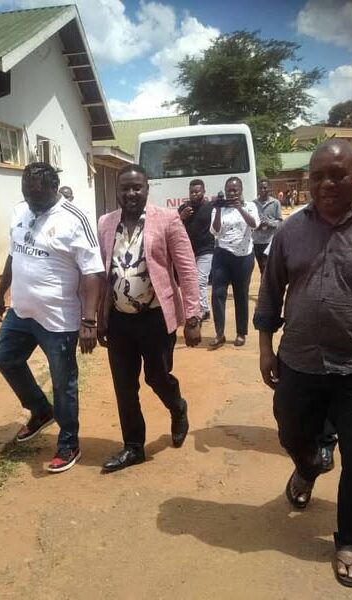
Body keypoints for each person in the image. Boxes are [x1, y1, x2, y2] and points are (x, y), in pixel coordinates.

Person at [254, 140, 352, 587]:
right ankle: (307, 467)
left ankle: (351, 541)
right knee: (291, 433)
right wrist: (265, 348)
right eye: (317, 175)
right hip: (299, 361)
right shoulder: (290, 231)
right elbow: (271, 292)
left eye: (336, 175)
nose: (326, 184)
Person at [0, 163, 104, 474]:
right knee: (5, 358)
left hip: (59, 319)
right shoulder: (20, 210)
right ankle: (41, 410)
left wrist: (89, 320)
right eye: (27, 194)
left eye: (37, 196)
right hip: (21, 311)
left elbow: (93, 272)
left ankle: (69, 443)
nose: (31, 202)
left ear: (54, 189)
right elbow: (14, 254)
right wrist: (0, 293)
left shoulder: (75, 219)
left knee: (63, 382)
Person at [97, 164, 201, 472]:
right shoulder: (106, 223)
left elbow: (187, 268)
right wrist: (98, 317)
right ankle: (133, 447)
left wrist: (193, 317)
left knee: (157, 376)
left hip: (155, 318)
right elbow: (103, 272)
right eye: (125, 188)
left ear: (146, 189)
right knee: (124, 386)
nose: (131, 193)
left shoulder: (167, 219)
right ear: (117, 191)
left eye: (137, 187)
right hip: (119, 320)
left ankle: (177, 406)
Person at [209, 177, 259, 349]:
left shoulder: (250, 206)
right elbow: (215, 231)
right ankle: (219, 333)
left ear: (241, 190)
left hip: (243, 256)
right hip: (222, 254)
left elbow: (254, 224)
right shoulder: (219, 208)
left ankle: (241, 333)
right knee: (217, 293)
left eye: (235, 190)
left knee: (241, 294)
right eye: (229, 190)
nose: (232, 193)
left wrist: (239, 208)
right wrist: (217, 209)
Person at [178, 179, 215, 321]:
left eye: (197, 192)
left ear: (204, 192)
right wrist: (181, 217)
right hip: (188, 251)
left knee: (200, 280)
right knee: (189, 282)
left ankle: (203, 310)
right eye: (191, 192)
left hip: (206, 250)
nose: (194, 194)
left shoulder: (210, 207)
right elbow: (173, 226)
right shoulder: (183, 208)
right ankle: (195, 309)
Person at [252, 179, 282, 274]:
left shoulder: (275, 203)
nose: (262, 190)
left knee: (267, 267)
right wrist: (258, 224)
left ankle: (266, 283)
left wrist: (269, 223)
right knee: (262, 268)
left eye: (265, 188)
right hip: (257, 241)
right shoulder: (253, 204)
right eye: (260, 188)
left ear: (269, 188)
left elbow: (280, 222)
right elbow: (251, 223)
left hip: (270, 242)